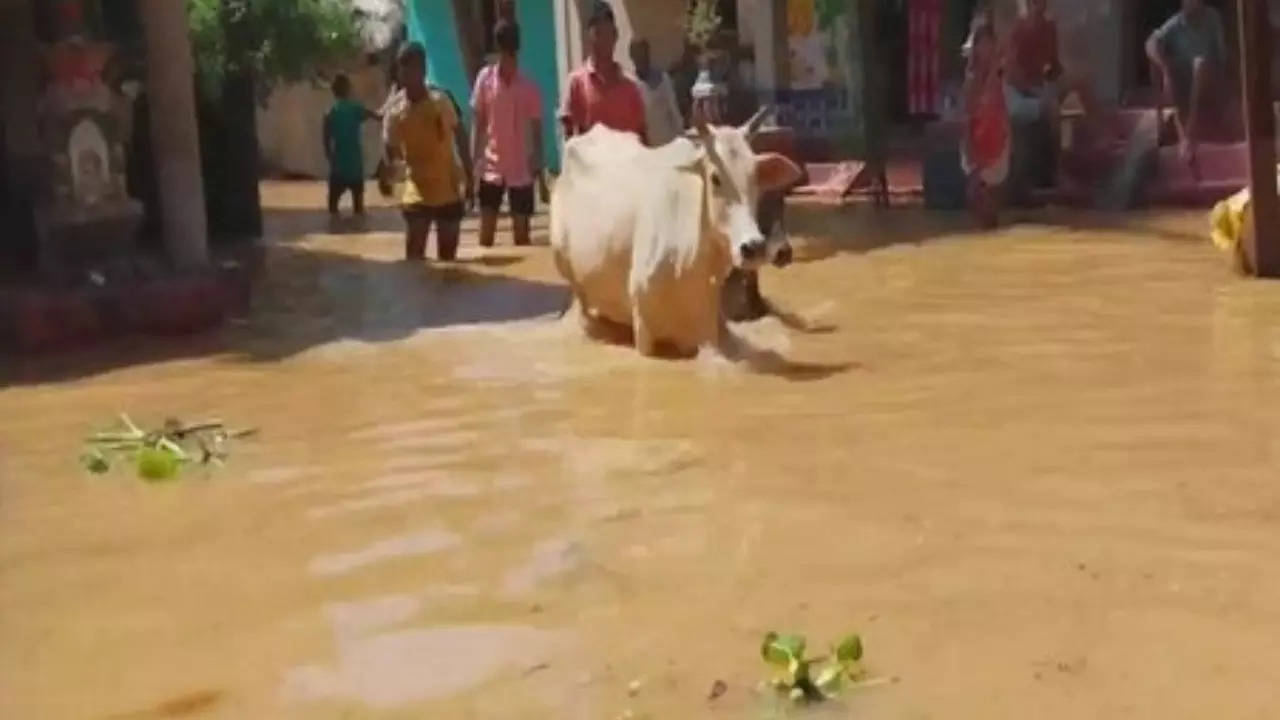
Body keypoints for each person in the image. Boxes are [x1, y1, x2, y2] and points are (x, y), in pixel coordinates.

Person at [383, 42, 475, 261]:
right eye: (402, 68)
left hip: (448, 188)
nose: (406, 74)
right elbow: (390, 148)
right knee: (414, 264)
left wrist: (470, 179)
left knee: (449, 265)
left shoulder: (441, 102)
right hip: (416, 191)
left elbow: (460, 136)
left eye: (411, 68)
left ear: (423, 71)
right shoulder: (395, 111)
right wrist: (388, 173)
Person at [471, 20, 543, 247]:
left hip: (520, 170)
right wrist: (475, 164)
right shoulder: (485, 79)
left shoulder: (528, 86)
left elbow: (536, 130)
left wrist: (538, 173)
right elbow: (479, 123)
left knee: (522, 238)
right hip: (491, 167)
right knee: (486, 236)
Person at [1145, 0, 1229, 171]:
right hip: (1184, 81)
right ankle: (1175, 131)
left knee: (1199, 64)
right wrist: (1165, 69)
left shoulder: (1212, 17)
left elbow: (1222, 56)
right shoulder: (1177, 23)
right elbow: (1151, 43)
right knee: (1163, 67)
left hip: (1210, 76)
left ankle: (1190, 134)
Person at [559, 1, 646, 142]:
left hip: (624, 161)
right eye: (597, 33)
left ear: (615, 35)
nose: (602, 41)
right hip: (591, 162)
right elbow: (568, 135)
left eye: (607, 33)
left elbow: (641, 135)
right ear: (589, 36)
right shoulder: (576, 83)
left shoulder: (631, 86)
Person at [961, 16, 1009, 229]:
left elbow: (1001, 109)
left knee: (991, 204)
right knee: (977, 197)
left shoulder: (1000, 73)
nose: (987, 48)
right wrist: (973, 156)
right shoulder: (971, 80)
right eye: (982, 44)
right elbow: (968, 118)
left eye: (990, 43)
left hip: (997, 141)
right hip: (976, 143)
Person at [324, 74, 380, 217]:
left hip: (338, 165)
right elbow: (377, 116)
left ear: (333, 91)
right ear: (348, 89)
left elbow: (326, 141)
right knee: (359, 210)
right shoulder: (356, 108)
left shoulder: (330, 113)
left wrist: (331, 160)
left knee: (332, 209)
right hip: (355, 165)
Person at [629, 38, 682, 146]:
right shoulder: (629, 82)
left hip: (666, 140)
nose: (641, 58)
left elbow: (673, 109)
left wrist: (681, 135)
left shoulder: (662, 79)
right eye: (637, 55)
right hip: (643, 144)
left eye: (644, 54)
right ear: (632, 57)